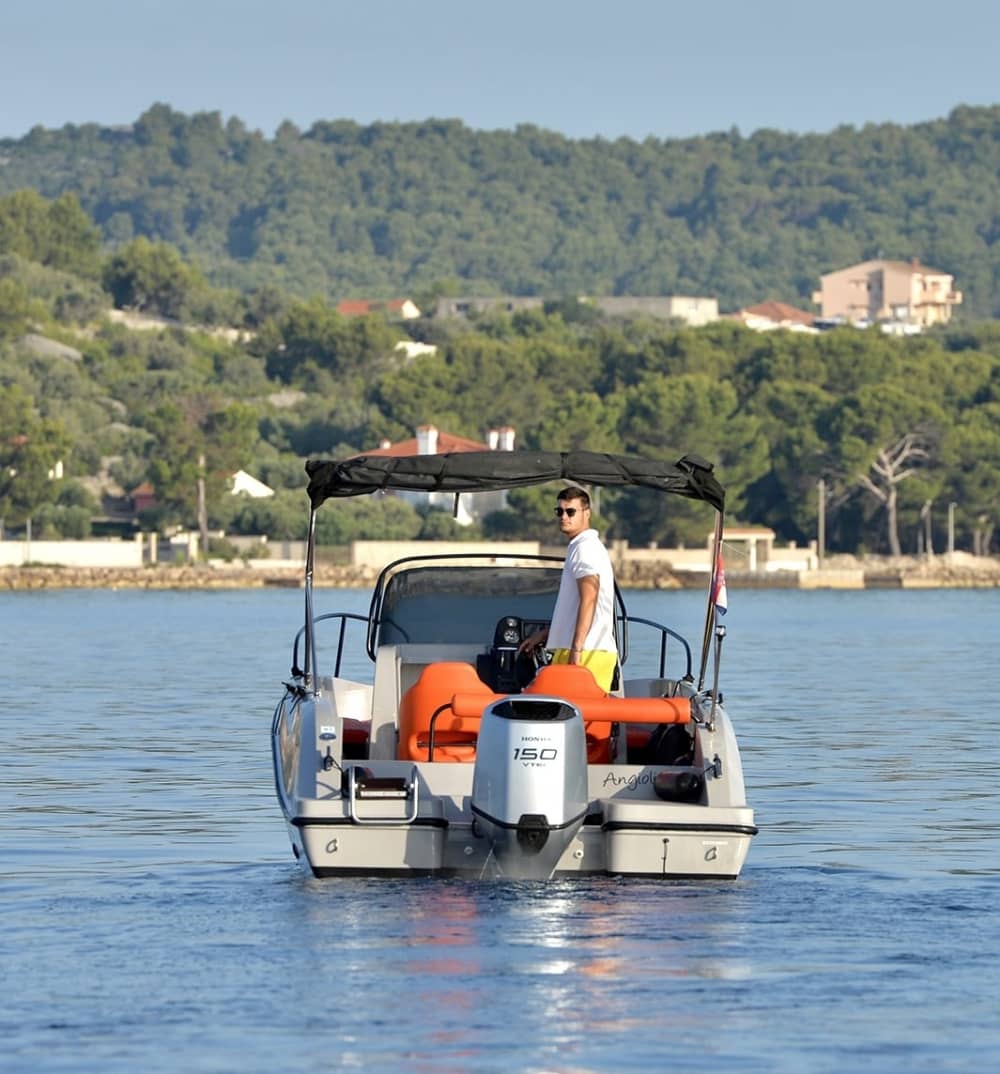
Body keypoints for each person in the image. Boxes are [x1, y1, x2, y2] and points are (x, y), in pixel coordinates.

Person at [518, 486, 618, 692]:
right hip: (580, 649)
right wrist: (546, 634)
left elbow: (590, 597)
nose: (564, 516)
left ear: (586, 513)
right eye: (560, 511)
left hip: (589, 652)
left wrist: (576, 650)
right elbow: (574, 608)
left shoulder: (585, 548)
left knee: (578, 720)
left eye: (570, 511)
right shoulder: (580, 546)